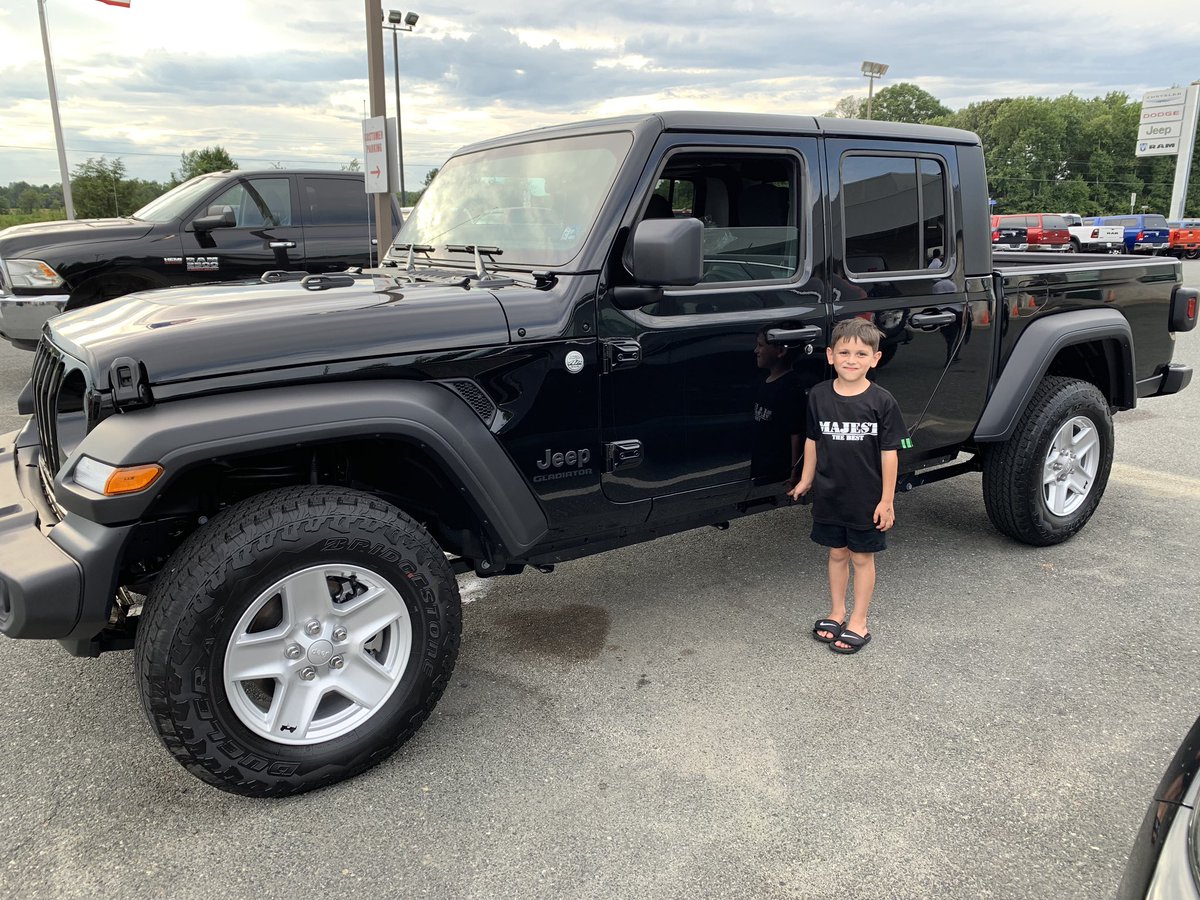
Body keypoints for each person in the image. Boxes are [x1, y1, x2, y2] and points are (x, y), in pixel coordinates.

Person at [787, 317, 909, 654]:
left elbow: (890, 454)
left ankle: (859, 620)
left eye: (860, 353)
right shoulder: (819, 396)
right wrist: (806, 479)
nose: (851, 360)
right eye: (843, 352)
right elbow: (813, 440)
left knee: (861, 557)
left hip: (866, 499)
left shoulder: (882, 402)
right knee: (837, 553)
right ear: (830, 355)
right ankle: (837, 611)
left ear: (875, 359)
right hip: (829, 495)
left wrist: (887, 501)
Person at [750, 326, 805, 487]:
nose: (756, 350)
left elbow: (797, 433)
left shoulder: (790, 387)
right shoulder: (764, 382)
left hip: (776, 466)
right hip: (761, 460)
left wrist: (795, 471)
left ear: (780, 351)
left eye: (760, 345)